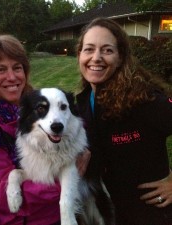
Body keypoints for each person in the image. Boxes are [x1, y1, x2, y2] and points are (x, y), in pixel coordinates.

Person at [75, 17, 172, 225]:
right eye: (89, 49)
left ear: (120, 57)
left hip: (151, 215)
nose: (96, 57)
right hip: (109, 214)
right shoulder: (81, 104)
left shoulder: (146, 100)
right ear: (79, 55)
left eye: (107, 50)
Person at [0, 34, 62, 225]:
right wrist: (68, 182)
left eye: (17, 68)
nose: (12, 77)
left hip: (65, 212)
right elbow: (0, 191)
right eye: (1, 70)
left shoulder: (39, 107)